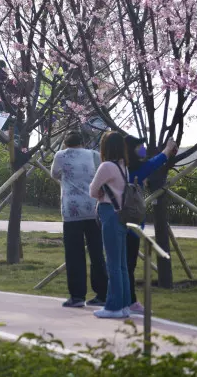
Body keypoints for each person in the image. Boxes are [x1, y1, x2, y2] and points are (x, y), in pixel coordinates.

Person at [50, 130, 106, 308]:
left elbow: (54, 174)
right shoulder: (94, 155)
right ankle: (102, 294)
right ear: (83, 142)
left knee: (74, 254)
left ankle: (77, 296)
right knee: (97, 253)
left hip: (71, 211)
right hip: (94, 208)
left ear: (65, 143)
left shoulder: (60, 155)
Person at [123, 135, 178, 313]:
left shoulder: (120, 168)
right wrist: (168, 149)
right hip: (131, 227)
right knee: (128, 266)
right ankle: (130, 301)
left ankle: (122, 299)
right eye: (139, 147)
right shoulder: (133, 171)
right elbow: (155, 162)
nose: (143, 150)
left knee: (122, 265)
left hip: (123, 224)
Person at [88, 130, 131, 319]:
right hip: (121, 215)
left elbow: (92, 190)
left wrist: (99, 193)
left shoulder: (106, 166)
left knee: (112, 264)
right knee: (121, 264)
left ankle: (113, 307)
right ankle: (124, 305)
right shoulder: (123, 167)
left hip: (109, 213)